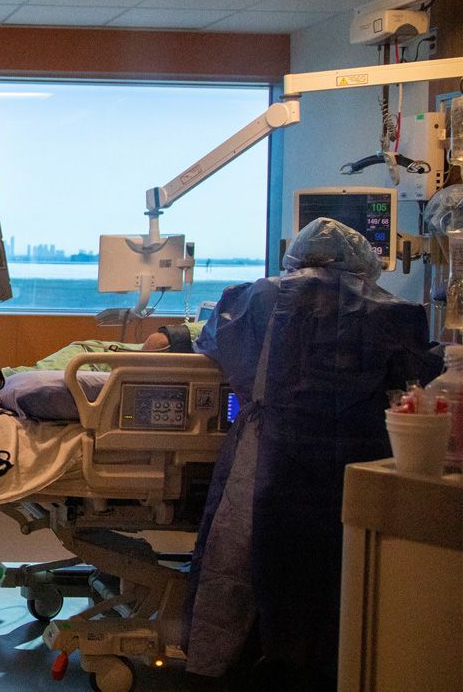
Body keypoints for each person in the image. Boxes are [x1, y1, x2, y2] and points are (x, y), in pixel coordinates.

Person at [183, 217, 441, 690]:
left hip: (267, 456)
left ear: (295, 255)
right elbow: (419, 377)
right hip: (358, 460)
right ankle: (339, 666)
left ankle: (238, 662)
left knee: (243, 560)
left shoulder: (254, 299)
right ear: (366, 263)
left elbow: (210, 342)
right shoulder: (394, 312)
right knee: (345, 571)